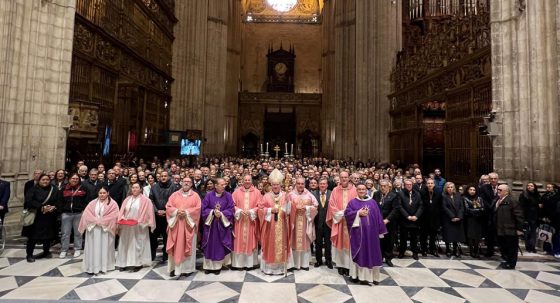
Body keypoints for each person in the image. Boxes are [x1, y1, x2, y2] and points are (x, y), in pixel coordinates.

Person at [344, 183, 387, 286]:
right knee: (360, 254)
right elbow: (347, 214)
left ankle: (372, 277)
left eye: (363, 189)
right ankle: (357, 276)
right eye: (359, 189)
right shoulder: (352, 202)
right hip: (358, 235)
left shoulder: (372, 202)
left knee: (372, 254)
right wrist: (358, 213)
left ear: (366, 190)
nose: (362, 191)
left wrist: (380, 231)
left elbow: (378, 217)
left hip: (372, 235)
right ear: (357, 191)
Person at [78, 186, 119, 275]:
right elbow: (86, 214)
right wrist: (96, 221)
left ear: (108, 193)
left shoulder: (113, 204)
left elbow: (114, 215)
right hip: (93, 229)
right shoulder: (92, 203)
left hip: (106, 230)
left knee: (105, 247)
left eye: (104, 193)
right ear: (98, 193)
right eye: (100, 193)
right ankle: (92, 267)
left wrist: (102, 221)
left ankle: (105, 266)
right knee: (93, 248)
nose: (102, 195)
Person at [116, 183, 156, 272]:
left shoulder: (146, 200)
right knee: (125, 244)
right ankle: (123, 263)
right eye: (133, 187)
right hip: (127, 226)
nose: (134, 189)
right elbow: (122, 211)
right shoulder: (127, 199)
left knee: (138, 245)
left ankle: (138, 263)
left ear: (140, 189)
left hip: (139, 226)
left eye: (136, 187)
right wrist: (122, 218)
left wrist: (141, 221)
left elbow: (149, 214)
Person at [166, 177, 201, 277]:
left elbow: (198, 209)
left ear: (191, 184)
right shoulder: (174, 195)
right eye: (184, 181)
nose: (186, 183)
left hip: (188, 225)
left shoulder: (195, 196)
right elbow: (168, 206)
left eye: (188, 182)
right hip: (176, 225)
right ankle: (173, 268)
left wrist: (186, 212)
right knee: (175, 247)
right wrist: (177, 211)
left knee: (188, 246)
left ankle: (187, 269)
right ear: (181, 183)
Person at [22, 174, 59, 262]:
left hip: (49, 216)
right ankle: (29, 254)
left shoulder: (54, 189)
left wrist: (53, 207)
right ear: (39, 181)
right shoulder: (33, 189)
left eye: (47, 180)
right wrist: (41, 207)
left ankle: (46, 251)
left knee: (48, 236)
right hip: (36, 216)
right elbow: (29, 201)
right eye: (43, 180)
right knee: (33, 237)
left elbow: (59, 200)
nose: (45, 181)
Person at [201, 178, 234, 274]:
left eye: (225, 184)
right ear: (216, 185)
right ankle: (208, 267)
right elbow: (203, 209)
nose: (224, 186)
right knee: (209, 245)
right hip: (210, 226)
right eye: (222, 184)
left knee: (219, 245)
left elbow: (231, 209)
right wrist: (212, 212)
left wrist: (222, 214)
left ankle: (217, 267)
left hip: (222, 226)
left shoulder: (228, 195)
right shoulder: (208, 195)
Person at [327, 171, 357, 276]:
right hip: (339, 221)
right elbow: (331, 204)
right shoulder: (335, 190)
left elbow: (358, 204)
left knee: (350, 245)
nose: (344, 179)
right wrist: (341, 214)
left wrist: (349, 214)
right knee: (339, 244)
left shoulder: (355, 190)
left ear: (349, 178)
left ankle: (348, 266)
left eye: (345, 177)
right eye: (342, 177)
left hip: (351, 223)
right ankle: (340, 265)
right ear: (339, 178)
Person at [287, 177, 318, 270]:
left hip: (305, 221)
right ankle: (294, 264)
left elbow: (316, 206)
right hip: (294, 223)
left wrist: (307, 208)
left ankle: (304, 264)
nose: (300, 185)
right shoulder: (290, 195)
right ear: (295, 184)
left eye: (302, 184)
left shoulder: (309, 195)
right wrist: (294, 209)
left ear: (305, 184)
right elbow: (286, 207)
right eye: (298, 183)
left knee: (305, 242)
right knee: (294, 242)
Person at [231, 175, 261, 270]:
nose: (247, 181)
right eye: (245, 180)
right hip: (239, 221)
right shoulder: (236, 192)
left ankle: (250, 264)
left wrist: (252, 211)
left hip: (251, 221)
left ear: (252, 181)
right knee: (238, 241)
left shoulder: (257, 192)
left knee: (251, 240)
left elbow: (260, 206)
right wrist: (239, 210)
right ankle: (238, 264)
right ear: (242, 181)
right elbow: (231, 204)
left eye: (249, 180)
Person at [149, 171, 180, 262]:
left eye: (165, 176)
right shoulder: (154, 187)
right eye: (161, 176)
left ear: (169, 177)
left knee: (167, 237)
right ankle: (152, 253)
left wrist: (166, 211)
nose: (163, 177)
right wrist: (156, 210)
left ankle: (166, 255)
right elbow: (151, 200)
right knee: (153, 236)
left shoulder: (174, 187)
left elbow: (176, 201)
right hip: (156, 216)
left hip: (169, 216)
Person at [59, 173, 89, 258]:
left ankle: (77, 249)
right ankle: (64, 250)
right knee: (65, 233)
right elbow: (59, 201)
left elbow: (86, 200)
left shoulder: (83, 188)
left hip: (78, 213)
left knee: (78, 232)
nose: (75, 180)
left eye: (76, 179)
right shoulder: (64, 188)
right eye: (73, 178)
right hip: (66, 214)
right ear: (69, 179)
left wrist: (83, 210)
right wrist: (61, 211)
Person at [494, 184, 524, 269]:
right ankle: (507, 261)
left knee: (512, 248)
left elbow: (519, 215)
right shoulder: (498, 200)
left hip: (510, 229)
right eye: (498, 189)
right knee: (504, 247)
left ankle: (511, 264)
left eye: (500, 190)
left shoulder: (512, 200)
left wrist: (519, 228)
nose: (498, 191)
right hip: (500, 229)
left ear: (506, 191)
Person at [372, 180, 401, 267]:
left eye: (384, 186)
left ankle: (388, 257)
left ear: (389, 186)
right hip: (378, 221)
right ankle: (379, 257)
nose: (383, 187)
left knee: (389, 240)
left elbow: (396, 209)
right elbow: (373, 206)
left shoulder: (394, 195)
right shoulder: (376, 194)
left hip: (389, 222)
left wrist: (387, 219)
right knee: (379, 240)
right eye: (381, 186)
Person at [398, 179, 423, 260]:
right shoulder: (400, 193)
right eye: (407, 184)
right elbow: (399, 206)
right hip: (404, 220)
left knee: (414, 238)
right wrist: (407, 216)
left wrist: (416, 216)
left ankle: (415, 252)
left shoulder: (417, 194)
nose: (409, 185)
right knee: (403, 238)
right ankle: (402, 252)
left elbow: (421, 206)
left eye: (410, 184)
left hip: (415, 220)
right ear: (404, 185)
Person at [312, 178, 333, 268]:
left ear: (327, 185)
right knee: (318, 243)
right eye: (321, 184)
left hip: (329, 223)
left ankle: (328, 260)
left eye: (324, 184)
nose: (322, 185)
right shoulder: (313, 194)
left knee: (328, 243)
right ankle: (319, 260)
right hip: (317, 223)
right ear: (318, 185)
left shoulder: (332, 194)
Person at [441, 182, 465, 257]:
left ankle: (455, 249)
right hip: (448, 219)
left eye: (451, 187)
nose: (450, 189)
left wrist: (459, 217)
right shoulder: (443, 196)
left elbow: (461, 207)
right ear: (446, 188)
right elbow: (444, 207)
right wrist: (452, 217)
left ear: (454, 188)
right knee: (448, 235)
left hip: (458, 219)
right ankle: (448, 249)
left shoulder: (458, 195)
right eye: (448, 187)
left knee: (456, 235)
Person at [419, 178, 442, 257]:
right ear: (426, 184)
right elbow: (420, 205)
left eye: (431, 183)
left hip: (435, 218)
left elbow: (440, 205)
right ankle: (424, 250)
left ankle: (432, 250)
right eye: (428, 183)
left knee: (433, 235)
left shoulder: (438, 192)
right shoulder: (422, 192)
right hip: (424, 218)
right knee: (423, 235)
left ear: (434, 184)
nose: (430, 185)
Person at [463, 185, 485, 258]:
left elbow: (483, 209)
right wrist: (478, 210)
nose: (472, 191)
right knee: (470, 235)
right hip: (470, 219)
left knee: (477, 236)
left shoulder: (479, 198)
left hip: (478, 219)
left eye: (474, 190)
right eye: (471, 189)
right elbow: (467, 210)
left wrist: (477, 210)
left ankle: (476, 250)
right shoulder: (465, 198)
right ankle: (471, 250)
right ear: (468, 190)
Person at [519, 182, 540, 253]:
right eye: (528, 185)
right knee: (527, 232)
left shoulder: (537, 195)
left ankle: (533, 246)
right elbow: (521, 206)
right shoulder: (523, 194)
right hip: (526, 215)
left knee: (533, 232)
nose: (529, 187)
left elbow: (539, 204)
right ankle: (528, 246)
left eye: (531, 186)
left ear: (534, 187)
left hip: (535, 216)